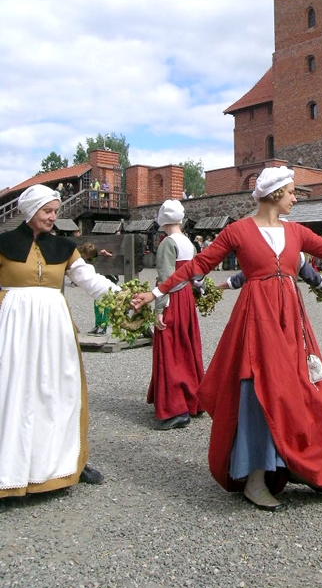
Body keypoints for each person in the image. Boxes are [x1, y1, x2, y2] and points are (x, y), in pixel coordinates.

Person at [132, 167, 322, 511]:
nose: (295, 197)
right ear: (276, 193)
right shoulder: (238, 231)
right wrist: (155, 292)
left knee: (299, 388)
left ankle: (298, 462)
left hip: (290, 320)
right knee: (258, 389)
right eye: (292, 191)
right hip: (256, 319)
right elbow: (196, 266)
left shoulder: (296, 232)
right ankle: (255, 478)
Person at [0, 184, 121, 498]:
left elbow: (90, 281)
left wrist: (126, 298)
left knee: (59, 390)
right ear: (30, 211)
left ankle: (66, 465)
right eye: (47, 211)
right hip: (13, 328)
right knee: (13, 393)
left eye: (55, 211)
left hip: (55, 330)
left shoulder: (65, 247)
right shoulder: (3, 244)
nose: (53, 216)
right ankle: (9, 473)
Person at [147, 200, 206, 430]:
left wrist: (160, 308)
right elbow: (196, 276)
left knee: (171, 350)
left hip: (172, 299)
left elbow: (165, 279)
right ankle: (193, 400)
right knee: (187, 347)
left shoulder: (166, 244)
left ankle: (175, 408)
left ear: (163, 221)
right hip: (187, 300)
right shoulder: (190, 245)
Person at [78, 243, 119, 335]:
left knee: (106, 305)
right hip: (98, 282)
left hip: (110, 280)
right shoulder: (88, 258)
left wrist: (108, 255)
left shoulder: (101, 255)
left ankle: (104, 326)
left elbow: (115, 258)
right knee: (97, 304)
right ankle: (98, 325)